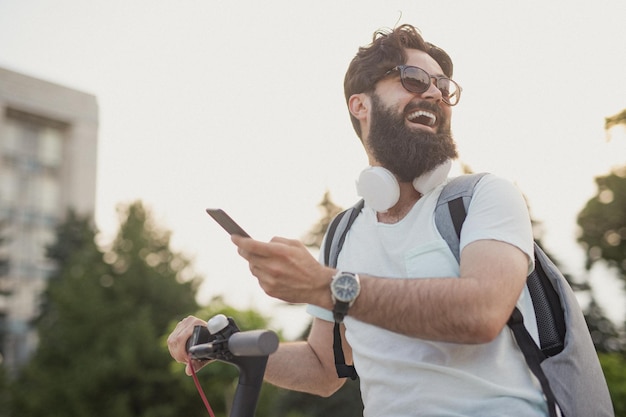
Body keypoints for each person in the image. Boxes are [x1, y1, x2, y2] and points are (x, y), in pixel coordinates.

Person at [168, 24, 549, 416]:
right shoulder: (343, 233)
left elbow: (481, 314)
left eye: (443, 86)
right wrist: (232, 346)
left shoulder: (485, 196)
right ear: (360, 105)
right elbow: (323, 368)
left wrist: (328, 287)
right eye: (415, 79)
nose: (435, 92)